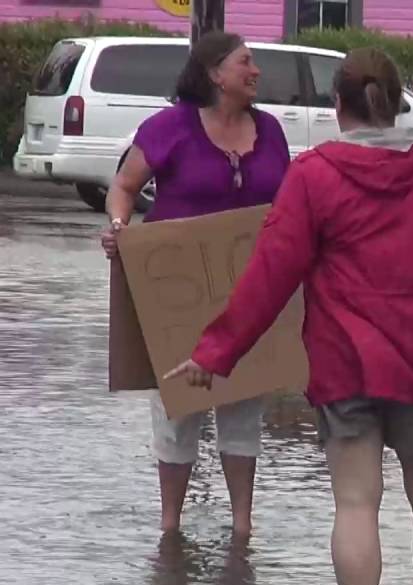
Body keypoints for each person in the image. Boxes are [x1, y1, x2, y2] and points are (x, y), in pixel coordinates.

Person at [165, 48, 413, 585]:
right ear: (399, 102)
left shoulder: (314, 176)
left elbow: (269, 276)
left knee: (356, 505)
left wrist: (214, 354)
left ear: (338, 106)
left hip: (348, 365)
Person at [101, 31, 291, 537]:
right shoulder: (169, 127)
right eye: (246, 63)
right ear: (215, 73)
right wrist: (120, 229)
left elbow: (290, 204)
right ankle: (170, 526)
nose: (255, 72)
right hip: (176, 294)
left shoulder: (270, 130)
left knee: (242, 404)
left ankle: (242, 526)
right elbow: (123, 187)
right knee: (177, 408)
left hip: (249, 288)